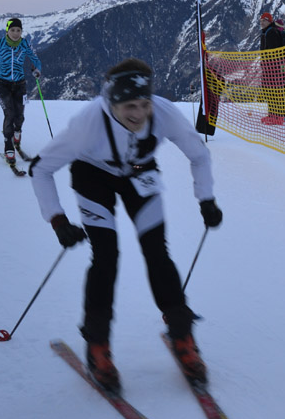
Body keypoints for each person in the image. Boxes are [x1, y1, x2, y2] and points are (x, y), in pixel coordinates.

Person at [28, 57, 223, 393]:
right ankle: (97, 344)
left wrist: (206, 199)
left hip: (140, 174)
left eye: (144, 104)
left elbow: (199, 155)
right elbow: (40, 169)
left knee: (157, 253)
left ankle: (183, 336)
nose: (138, 113)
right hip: (93, 177)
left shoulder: (163, 113)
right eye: (129, 106)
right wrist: (58, 220)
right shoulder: (88, 122)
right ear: (111, 101)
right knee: (106, 257)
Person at [0, 17, 42, 162]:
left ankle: (17, 132)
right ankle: (8, 146)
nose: (15, 33)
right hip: (2, 84)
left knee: (20, 116)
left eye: (18, 30)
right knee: (9, 114)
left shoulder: (25, 44)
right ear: (7, 30)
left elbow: (36, 59)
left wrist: (37, 70)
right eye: (12, 30)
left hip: (20, 85)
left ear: (21, 31)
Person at [259, 12, 285, 124]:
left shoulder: (272, 33)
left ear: (270, 21)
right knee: (269, 92)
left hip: (272, 68)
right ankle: (272, 114)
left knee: (273, 92)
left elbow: (274, 52)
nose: (262, 23)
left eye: (264, 21)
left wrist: (268, 63)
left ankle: (277, 117)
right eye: (261, 21)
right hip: (269, 68)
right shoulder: (267, 32)